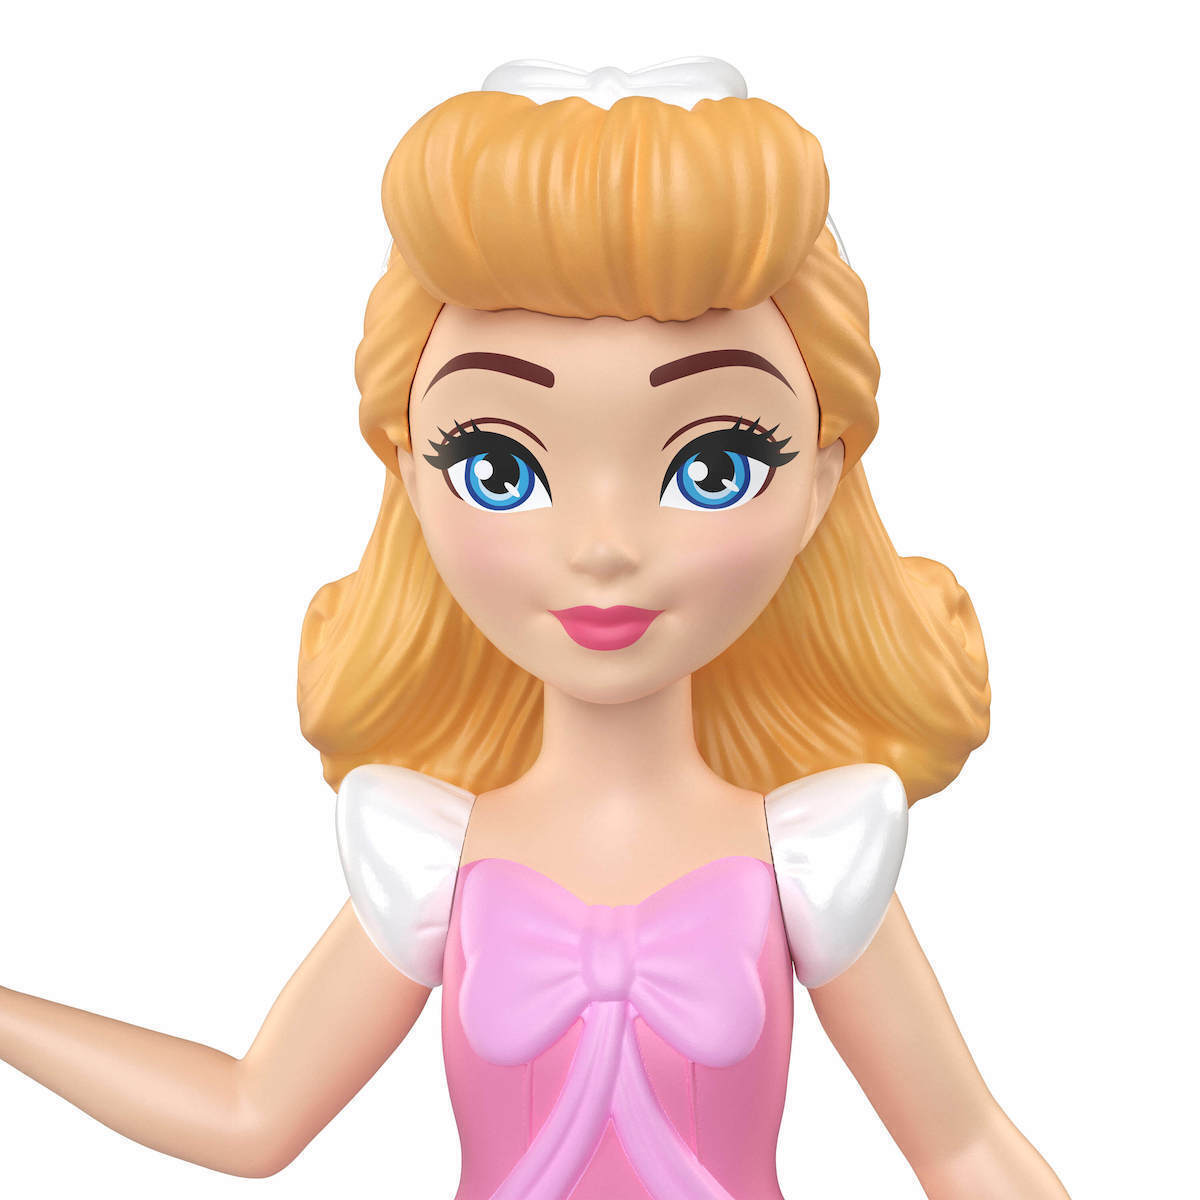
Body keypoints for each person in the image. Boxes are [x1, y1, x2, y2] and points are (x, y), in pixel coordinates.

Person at [0, 58, 1069, 1197]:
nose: (603, 546)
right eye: (499, 468)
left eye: (714, 466)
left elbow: (963, 1148)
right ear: (412, 477)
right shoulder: (428, 853)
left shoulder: (810, 854)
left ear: (818, 480)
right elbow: (251, 1115)